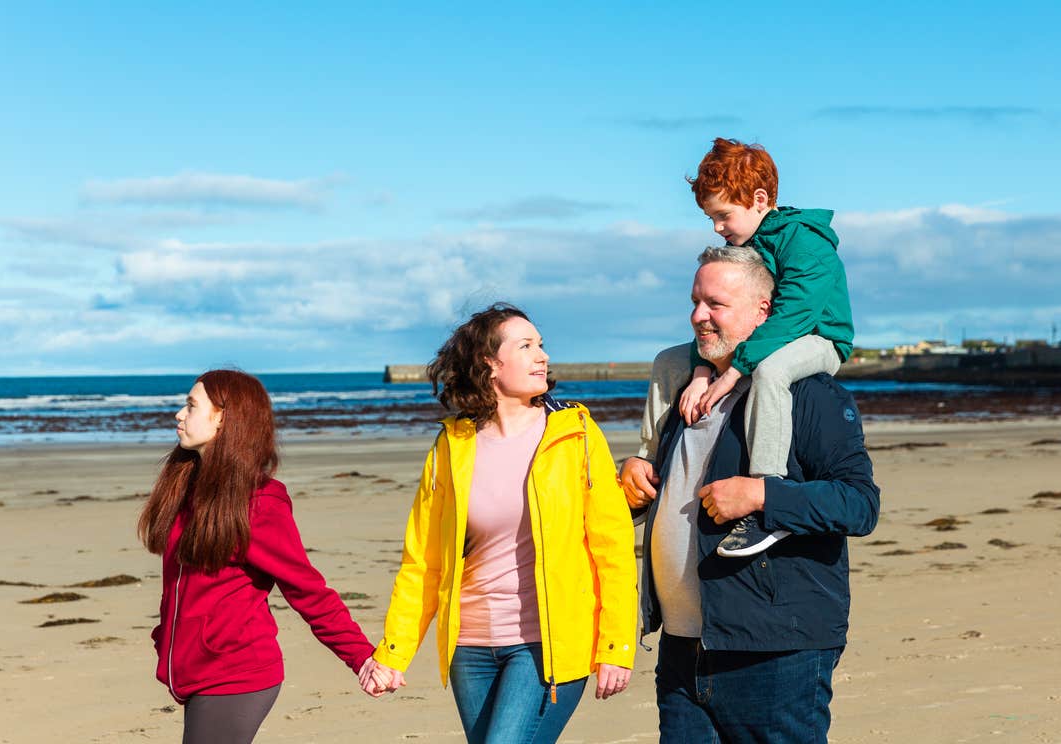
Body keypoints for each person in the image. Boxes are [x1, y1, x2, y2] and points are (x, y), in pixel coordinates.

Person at [622, 247, 879, 743]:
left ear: (764, 311)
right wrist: (633, 486)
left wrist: (763, 495)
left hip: (775, 652)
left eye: (715, 304)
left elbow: (860, 504)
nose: (699, 316)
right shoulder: (685, 393)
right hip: (681, 649)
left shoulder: (811, 395)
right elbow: (669, 499)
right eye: (695, 301)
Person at [362, 303, 638, 743]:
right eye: (526, 346)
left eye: (542, 345)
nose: (542, 356)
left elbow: (613, 549)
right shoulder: (451, 446)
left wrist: (616, 646)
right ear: (489, 363)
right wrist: (393, 653)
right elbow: (422, 563)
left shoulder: (575, 434)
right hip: (468, 648)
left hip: (547, 645)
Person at [138, 369, 377, 744]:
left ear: (225, 419)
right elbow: (180, 586)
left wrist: (361, 656)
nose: (178, 415)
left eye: (190, 405)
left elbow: (307, 590)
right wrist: (166, 637)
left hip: (236, 674)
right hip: (194, 669)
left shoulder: (259, 504)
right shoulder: (187, 486)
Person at [646, 137, 855, 558]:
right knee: (671, 360)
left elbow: (793, 314)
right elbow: (723, 321)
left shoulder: (805, 241)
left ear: (760, 199)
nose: (718, 228)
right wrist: (703, 371)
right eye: (711, 218)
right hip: (770, 337)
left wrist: (733, 372)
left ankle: (767, 490)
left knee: (771, 371)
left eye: (723, 215)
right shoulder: (747, 246)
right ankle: (649, 468)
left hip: (818, 337)